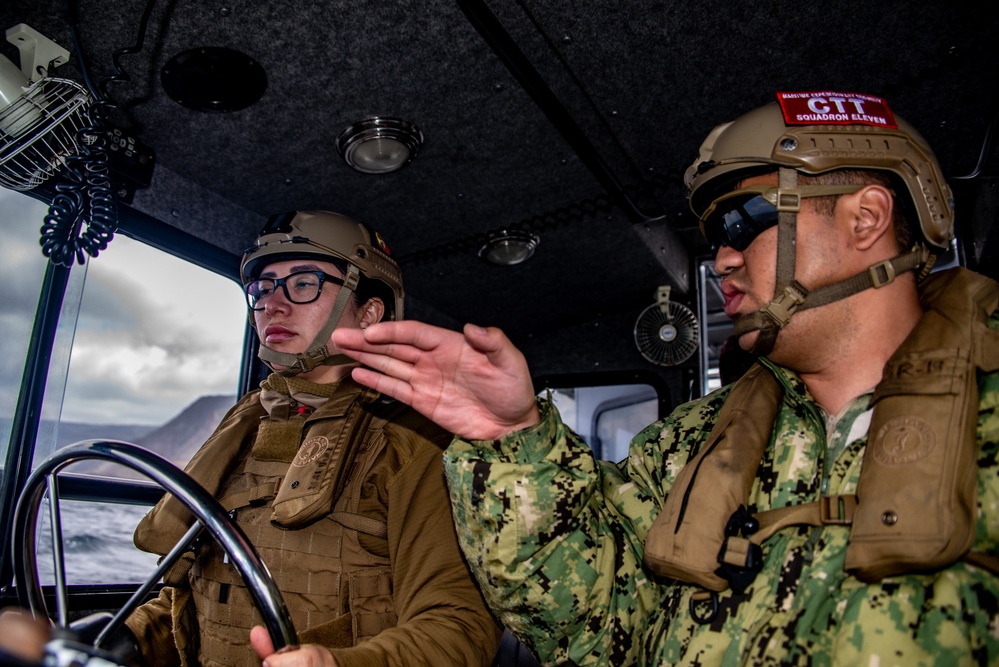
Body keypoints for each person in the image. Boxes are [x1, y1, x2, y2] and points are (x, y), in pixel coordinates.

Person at [331, 92, 999, 665]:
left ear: (865, 217)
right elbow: (592, 626)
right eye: (715, 236)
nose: (724, 258)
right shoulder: (692, 445)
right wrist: (513, 441)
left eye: (744, 220)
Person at [116, 211, 500, 667]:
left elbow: (458, 629)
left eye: (303, 283)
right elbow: (201, 594)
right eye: (263, 289)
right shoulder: (245, 425)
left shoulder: (414, 439)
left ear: (369, 312)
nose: (273, 305)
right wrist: (126, 639)